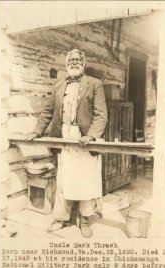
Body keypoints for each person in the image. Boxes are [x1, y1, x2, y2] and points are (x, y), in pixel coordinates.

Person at [27, 49, 107, 238]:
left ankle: (85, 218)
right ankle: (62, 217)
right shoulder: (59, 86)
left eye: (78, 59)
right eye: (71, 60)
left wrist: (92, 136)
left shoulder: (95, 84)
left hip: (85, 138)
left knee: (86, 179)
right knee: (64, 178)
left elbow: (101, 115)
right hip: (64, 135)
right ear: (66, 64)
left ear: (84, 63)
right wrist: (37, 131)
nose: (74, 62)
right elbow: (47, 111)